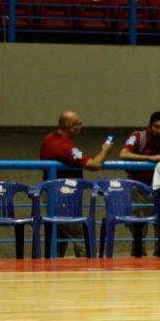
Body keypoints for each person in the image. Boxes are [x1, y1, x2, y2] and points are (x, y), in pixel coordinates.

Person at [38, 110, 114, 257]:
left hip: (57, 195)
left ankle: (54, 267)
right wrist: (105, 150)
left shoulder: (49, 139)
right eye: (79, 124)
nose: (81, 127)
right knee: (79, 233)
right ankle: (88, 266)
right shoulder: (64, 147)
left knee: (59, 237)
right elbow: (95, 165)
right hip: (62, 198)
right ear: (70, 126)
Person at [119, 110, 160, 256]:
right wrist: (150, 158)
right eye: (156, 126)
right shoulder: (137, 137)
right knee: (139, 227)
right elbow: (123, 154)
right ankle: (138, 259)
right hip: (139, 190)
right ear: (149, 126)